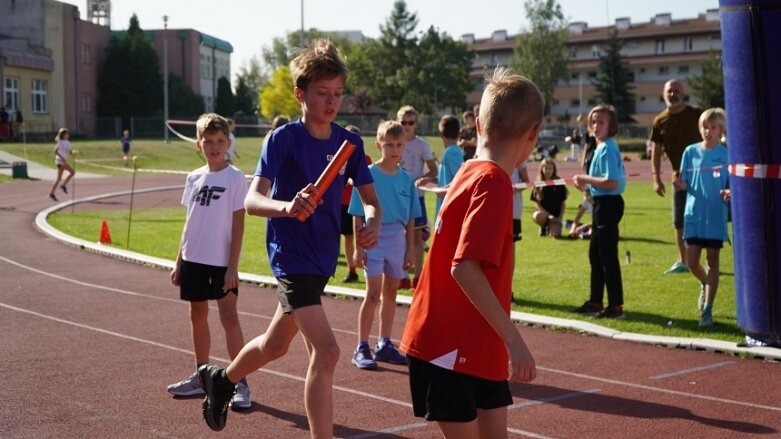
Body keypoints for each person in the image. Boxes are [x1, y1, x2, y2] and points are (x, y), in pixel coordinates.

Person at [196, 39, 381, 436]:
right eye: (322, 94)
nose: (332, 102)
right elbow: (252, 199)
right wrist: (287, 206)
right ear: (301, 94)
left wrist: (370, 222)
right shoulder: (282, 140)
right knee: (327, 352)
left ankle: (222, 379)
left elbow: (370, 201)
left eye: (338, 94)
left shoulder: (349, 145)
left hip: (321, 258)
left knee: (275, 345)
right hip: (291, 257)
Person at [400, 67, 539, 438]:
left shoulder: (468, 170)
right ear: (534, 135)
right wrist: (516, 341)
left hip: (476, 345)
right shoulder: (492, 181)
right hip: (451, 345)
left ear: (478, 124)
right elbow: (465, 268)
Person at [166, 113, 251, 410]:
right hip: (193, 259)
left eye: (219, 141)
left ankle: (239, 382)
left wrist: (232, 267)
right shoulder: (193, 177)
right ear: (198, 144)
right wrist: (179, 261)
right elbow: (189, 223)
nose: (214, 146)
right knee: (197, 316)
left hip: (221, 264)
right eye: (208, 141)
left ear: (228, 143)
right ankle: (202, 374)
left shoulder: (236, 178)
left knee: (229, 318)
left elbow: (239, 225)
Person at [348, 120, 419, 369]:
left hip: (397, 239)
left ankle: (385, 343)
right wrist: (358, 246)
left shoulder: (407, 179)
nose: (394, 149)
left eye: (399, 144)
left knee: (391, 292)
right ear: (379, 145)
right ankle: (361, 346)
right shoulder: (369, 174)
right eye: (389, 144)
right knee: (373, 294)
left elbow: (411, 216)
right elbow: (358, 211)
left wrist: (410, 247)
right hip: (373, 237)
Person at [673, 108, 729, 327]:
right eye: (705, 127)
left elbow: (732, 184)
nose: (708, 131)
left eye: (713, 127)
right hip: (693, 214)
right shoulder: (690, 152)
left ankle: (707, 311)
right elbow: (684, 181)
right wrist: (680, 185)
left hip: (715, 215)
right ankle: (706, 284)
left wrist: (728, 191)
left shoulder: (726, 154)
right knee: (691, 262)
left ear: (721, 130)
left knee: (712, 260)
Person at [572, 105, 627, 319]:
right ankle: (596, 301)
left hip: (609, 205)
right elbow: (602, 182)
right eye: (593, 122)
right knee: (595, 254)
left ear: (611, 125)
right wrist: (586, 186)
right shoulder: (601, 147)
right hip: (600, 203)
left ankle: (615, 306)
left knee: (607, 256)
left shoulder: (608, 148)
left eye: (601, 122)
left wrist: (586, 180)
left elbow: (612, 182)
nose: (596, 126)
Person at [650, 79, 703, 274]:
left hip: (700, 177)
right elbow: (655, 152)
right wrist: (656, 179)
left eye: (677, 90)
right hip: (677, 178)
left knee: (700, 219)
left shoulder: (696, 115)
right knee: (679, 221)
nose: (673, 94)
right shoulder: (659, 121)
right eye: (670, 91)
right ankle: (682, 260)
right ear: (664, 94)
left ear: (684, 93)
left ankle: (702, 260)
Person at [398, 105, 437, 291]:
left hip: (416, 197)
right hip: (396, 197)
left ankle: (418, 277)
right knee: (397, 236)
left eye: (410, 122)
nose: (406, 126)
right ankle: (401, 276)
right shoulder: (393, 142)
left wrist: (424, 178)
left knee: (417, 240)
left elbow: (434, 169)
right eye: (403, 122)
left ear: (416, 124)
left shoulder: (422, 145)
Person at [340, 124, 372, 283]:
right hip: (343, 202)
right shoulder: (337, 158)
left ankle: (369, 267)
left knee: (364, 235)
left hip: (361, 204)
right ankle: (351, 270)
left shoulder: (366, 159)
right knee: (347, 237)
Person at [417, 115, 464, 218]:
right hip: (444, 207)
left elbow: (460, 180)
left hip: (450, 210)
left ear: (441, 134)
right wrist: (430, 180)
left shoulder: (452, 152)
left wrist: (443, 190)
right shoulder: (449, 151)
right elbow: (448, 178)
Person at [531, 158, 568, 237]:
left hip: (556, 215)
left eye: (550, 168)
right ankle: (543, 227)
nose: (548, 171)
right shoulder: (538, 183)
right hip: (544, 214)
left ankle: (552, 227)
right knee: (537, 215)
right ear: (542, 169)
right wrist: (548, 215)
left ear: (554, 169)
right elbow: (537, 204)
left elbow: (563, 202)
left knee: (556, 235)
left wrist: (559, 218)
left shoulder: (559, 182)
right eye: (546, 168)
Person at [48, 128, 75, 201]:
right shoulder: (67, 143)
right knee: (72, 172)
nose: (68, 135)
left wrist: (62, 157)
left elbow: (55, 151)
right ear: (64, 135)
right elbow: (69, 152)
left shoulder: (59, 142)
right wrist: (73, 152)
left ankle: (51, 193)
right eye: (67, 134)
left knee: (58, 178)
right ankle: (63, 186)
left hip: (58, 161)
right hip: (61, 162)